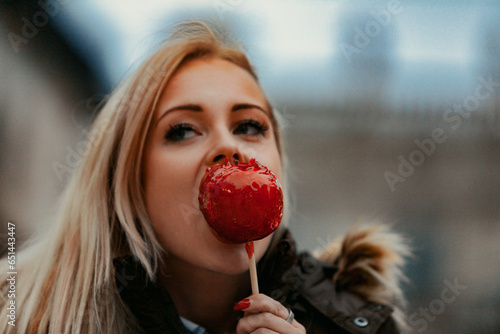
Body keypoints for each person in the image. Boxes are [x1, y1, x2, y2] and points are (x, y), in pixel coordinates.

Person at [0, 21, 410, 333]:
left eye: (250, 125)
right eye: (182, 130)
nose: (228, 146)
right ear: (128, 180)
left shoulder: (363, 323)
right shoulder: (21, 315)